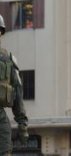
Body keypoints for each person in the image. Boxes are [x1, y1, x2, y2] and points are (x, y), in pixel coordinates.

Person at [0, 15, 29, 155]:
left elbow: (17, 92)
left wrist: (22, 124)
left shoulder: (8, 60)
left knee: (5, 150)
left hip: (0, 120)